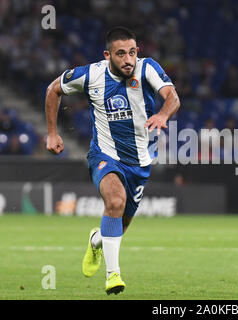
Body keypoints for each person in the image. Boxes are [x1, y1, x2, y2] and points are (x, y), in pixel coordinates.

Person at [44, 27, 180, 295]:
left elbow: (172, 97)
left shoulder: (147, 68)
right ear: (108, 55)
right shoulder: (91, 75)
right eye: (120, 54)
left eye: (132, 52)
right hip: (105, 155)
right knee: (115, 201)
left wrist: (163, 115)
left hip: (140, 162)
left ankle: (96, 240)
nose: (128, 59)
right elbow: (52, 90)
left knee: (120, 224)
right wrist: (51, 133)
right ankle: (113, 275)